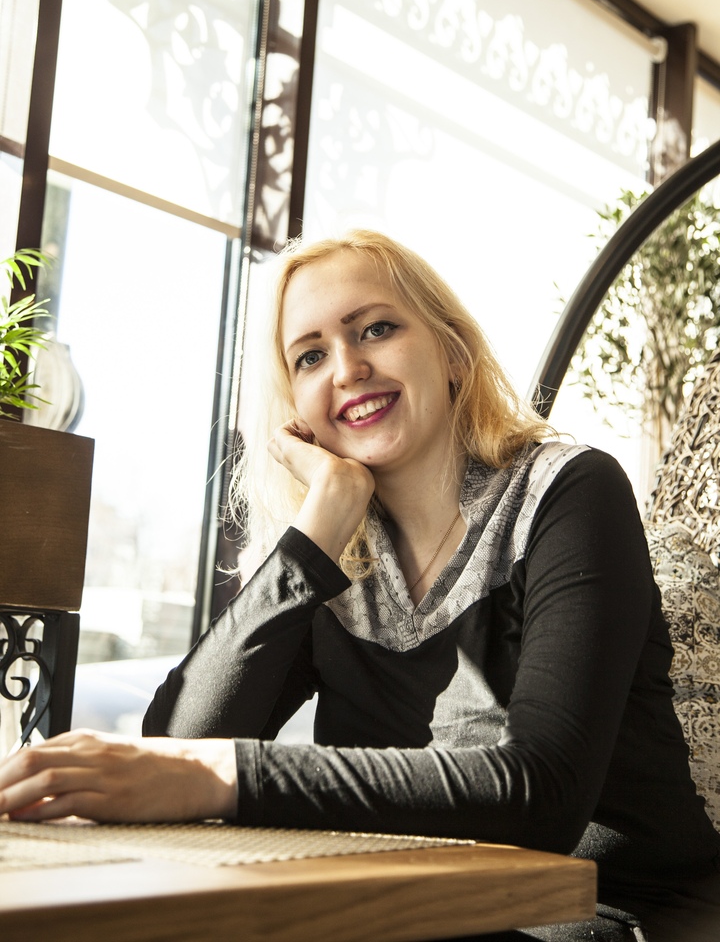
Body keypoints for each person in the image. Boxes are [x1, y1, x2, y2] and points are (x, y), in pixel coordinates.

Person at [1, 229, 719, 942]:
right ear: (294, 408)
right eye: (310, 356)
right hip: (410, 907)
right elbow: (181, 743)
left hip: (612, 914)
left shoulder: (571, 490)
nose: (348, 368)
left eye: (376, 328)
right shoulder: (333, 560)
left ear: (453, 353)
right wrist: (317, 528)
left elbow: (543, 797)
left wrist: (222, 775)